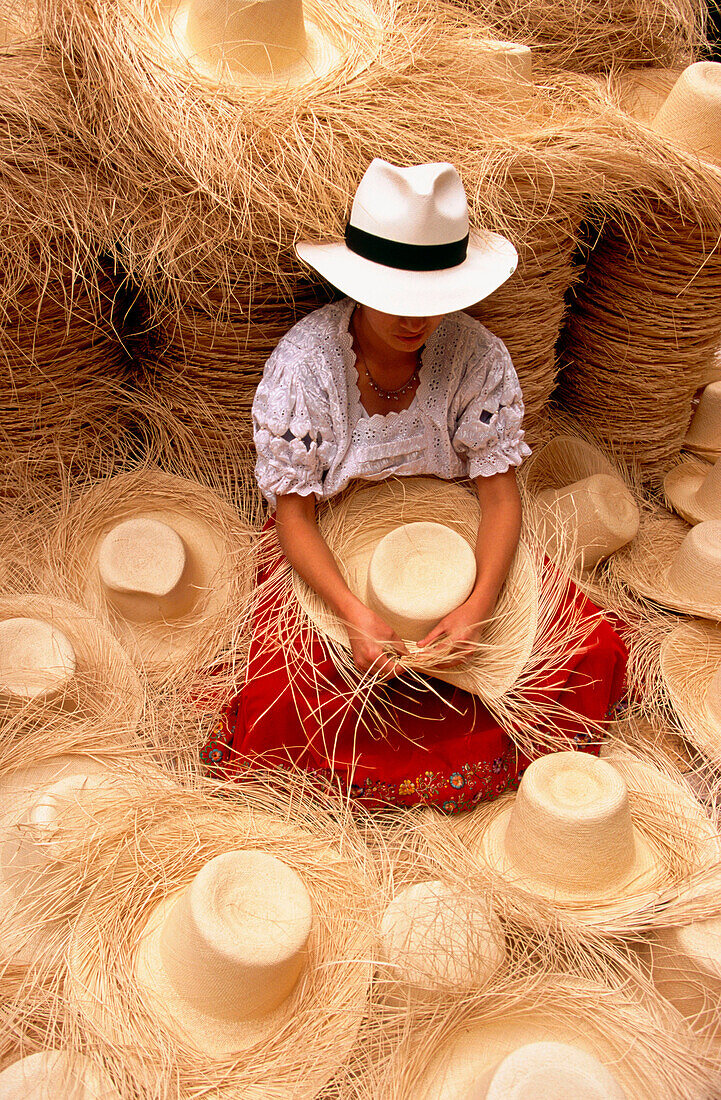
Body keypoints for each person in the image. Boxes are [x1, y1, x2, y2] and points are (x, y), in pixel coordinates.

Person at [202, 158, 627, 812]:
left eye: (430, 300)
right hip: (332, 540)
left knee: (589, 646)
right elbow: (294, 516)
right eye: (394, 298)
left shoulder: (477, 356)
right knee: (278, 690)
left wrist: (479, 602)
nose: (412, 319)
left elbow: (498, 496)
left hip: (452, 536)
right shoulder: (305, 368)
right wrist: (353, 612)